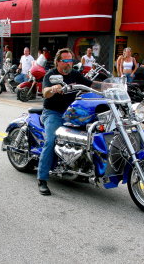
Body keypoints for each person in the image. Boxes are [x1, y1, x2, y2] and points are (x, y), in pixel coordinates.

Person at [37, 48, 112, 195]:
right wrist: (53, 89)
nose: (69, 63)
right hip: (53, 113)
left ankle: (83, 168)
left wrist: (110, 86)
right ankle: (42, 179)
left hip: (71, 112)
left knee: (91, 134)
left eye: (70, 60)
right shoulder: (51, 75)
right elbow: (45, 92)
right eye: (65, 60)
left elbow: (91, 84)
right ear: (58, 62)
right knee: (51, 140)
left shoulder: (74, 74)